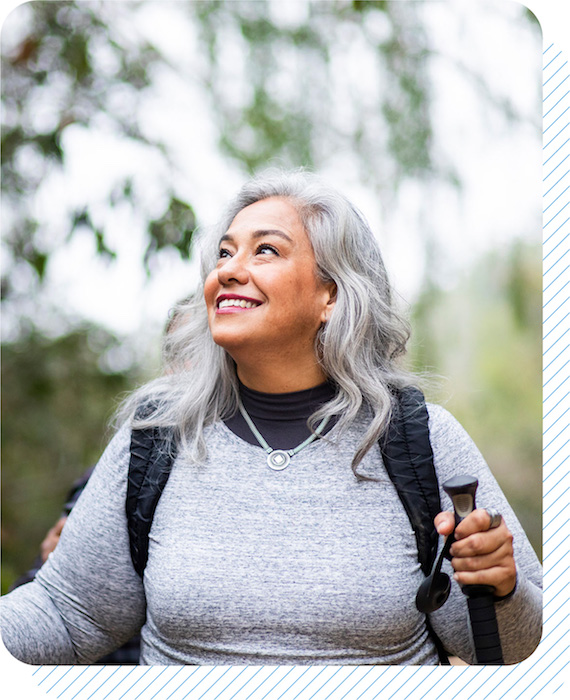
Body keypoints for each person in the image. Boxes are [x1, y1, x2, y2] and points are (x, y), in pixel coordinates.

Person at [0, 169, 541, 665]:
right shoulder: (158, 433)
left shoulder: (417, 437)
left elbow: (521, 651)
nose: (230, 270)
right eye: (225, 253)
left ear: (330, 294)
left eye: (264, 251)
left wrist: (501, 588)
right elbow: (69, 616)